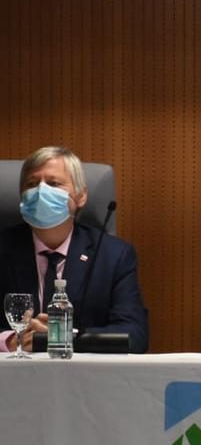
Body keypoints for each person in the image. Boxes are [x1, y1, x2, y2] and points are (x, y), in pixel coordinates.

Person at [0, 146, 149, 353]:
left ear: (81, 196)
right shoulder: (4, 248)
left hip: (85, 371)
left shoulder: (113, 255)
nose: (41, 191)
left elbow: (135, 335)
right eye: (32, 184)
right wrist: (10, 341)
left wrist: (61, 338)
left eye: (53, 183)